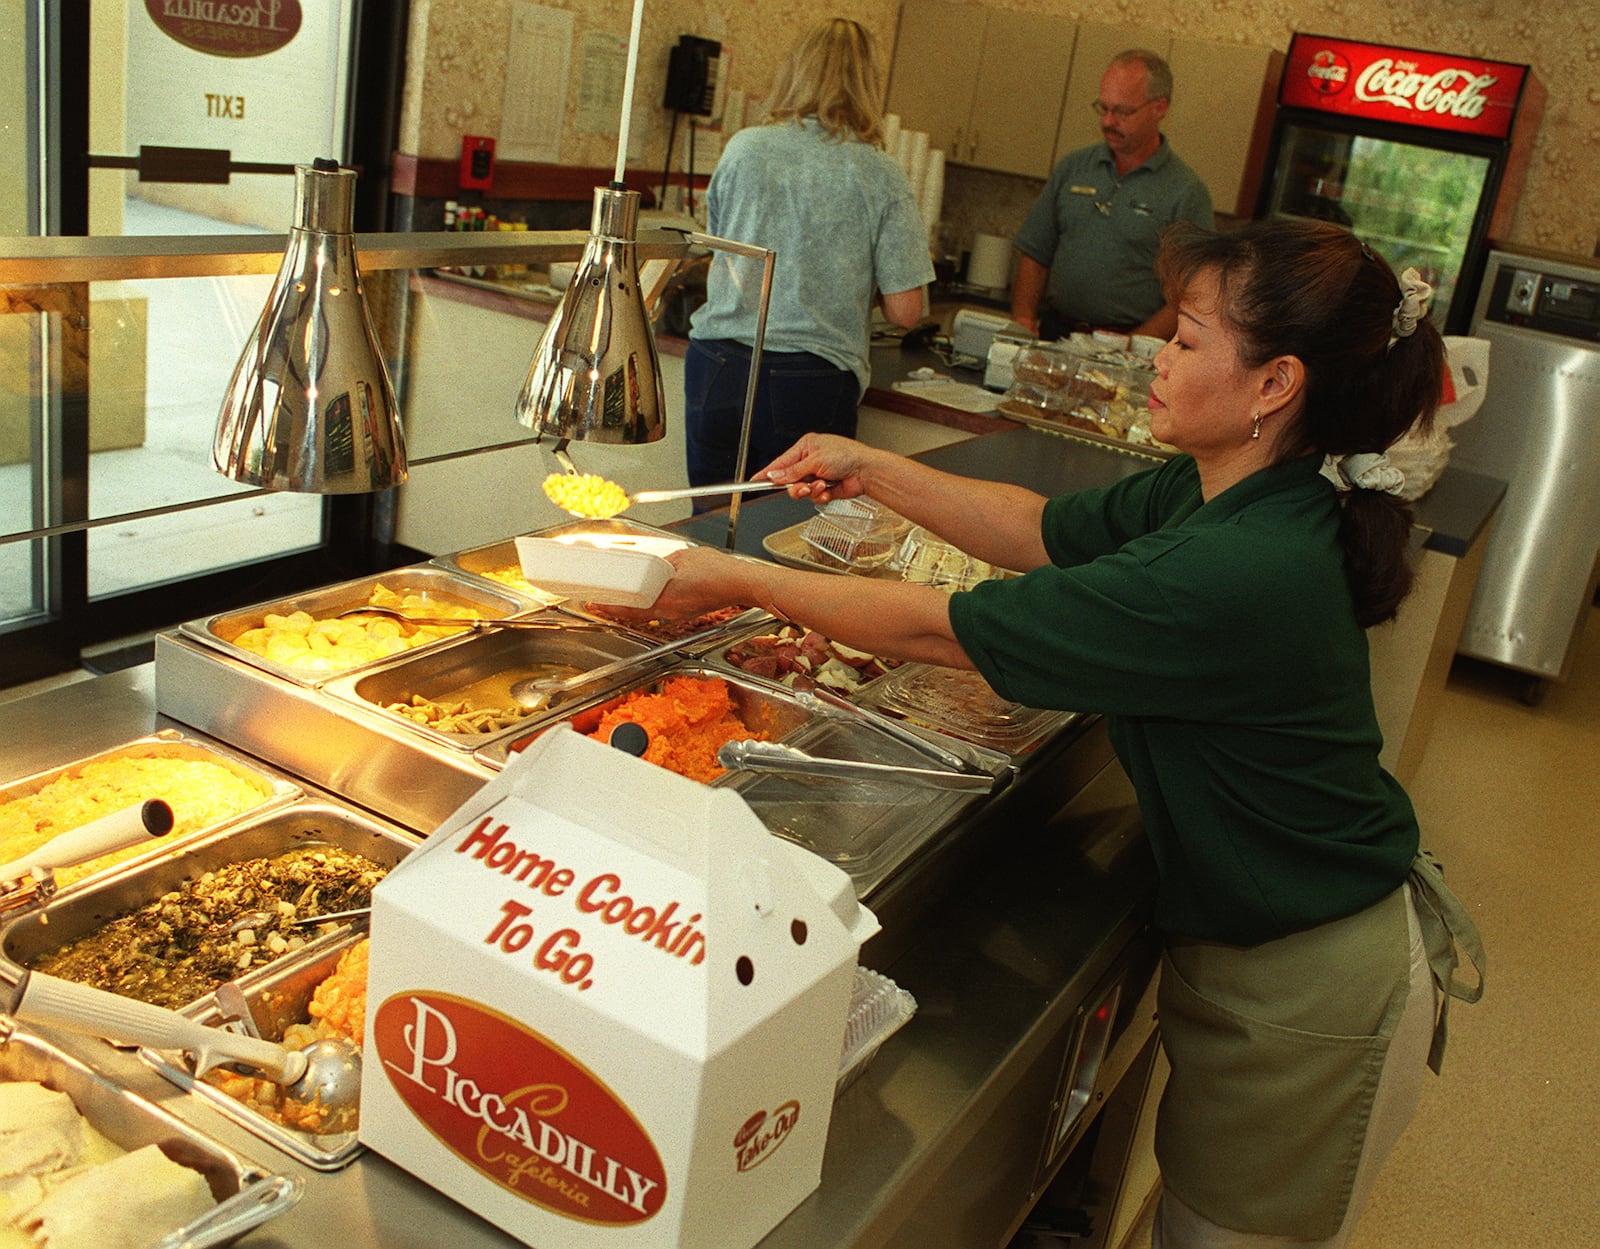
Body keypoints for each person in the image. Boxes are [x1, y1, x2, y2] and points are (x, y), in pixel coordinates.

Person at [627, 218, 1485, 1248]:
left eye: (1189, 338)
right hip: (1258, 942)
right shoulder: (1227, 489)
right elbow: (1035, 529)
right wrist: (874, 467)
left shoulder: (1238, 567)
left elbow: (946, 633)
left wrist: (734, 576)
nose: (1156, 356)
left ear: (1274, 384)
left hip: (1305, 984)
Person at [683, 17, 933, 501]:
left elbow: (718, 244)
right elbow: (908, 311)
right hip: (810, 379)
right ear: (868, 86)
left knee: (710, 528)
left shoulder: (744, 148)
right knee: (781, 542)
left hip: (717, 364)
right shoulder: (879, 173)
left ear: (794, 72)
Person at [1010, 49, 1212, 342]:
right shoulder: (1073, 168)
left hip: (1129, 346)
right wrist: (1023, 319)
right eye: (1102, 108)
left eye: (1122, 111)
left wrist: (1131, 347)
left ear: (1159, 108)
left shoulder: (1186, 192)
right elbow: (1035, 253)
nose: (1107, 121)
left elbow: (1191, 296)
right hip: (1056, 334)